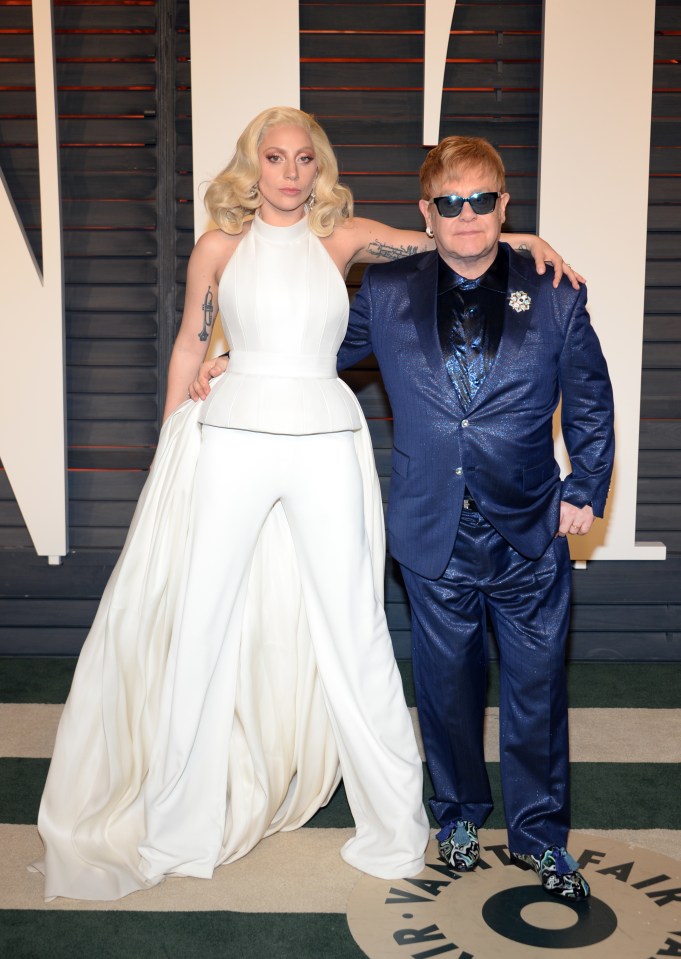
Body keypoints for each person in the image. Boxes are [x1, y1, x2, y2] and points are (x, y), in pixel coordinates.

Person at [34, 107, 582, 902]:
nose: (289, 172)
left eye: (302, 159)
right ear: (250, 166)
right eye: (273, 157)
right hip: (230, 439)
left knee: (354, 625)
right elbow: (193, 339)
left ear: (318, 167)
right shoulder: (217, 247)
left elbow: (448, 239)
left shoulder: (345, 237)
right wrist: (173, 442)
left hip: (326, 437)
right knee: (203, 619)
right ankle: (180, 819)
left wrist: (522, 241)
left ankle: (396, 826)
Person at [198, 134, 615, 903]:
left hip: (527, 531)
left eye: (481, 200)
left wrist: (583, 488)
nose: (466, 215)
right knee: (446, 690)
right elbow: (314, 352)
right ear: (426, 212)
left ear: (502, 205)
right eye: (449, 202)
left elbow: (589, 399)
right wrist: (236, 361)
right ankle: (455, 815)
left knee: (535, 692)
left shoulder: (554, 291)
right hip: (432, 535)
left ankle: (539, 836)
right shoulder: (386, 293)